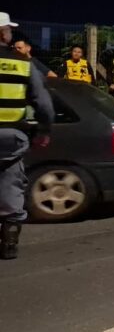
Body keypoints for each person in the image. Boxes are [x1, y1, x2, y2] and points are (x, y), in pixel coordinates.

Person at [0, 42, 55, 259]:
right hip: (11, 137)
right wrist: (44, 131)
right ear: (4, 32)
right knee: (11, 182)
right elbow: (43, 103)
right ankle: (9, 243)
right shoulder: (22, 62)